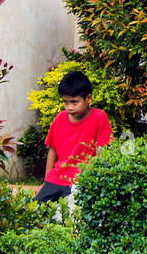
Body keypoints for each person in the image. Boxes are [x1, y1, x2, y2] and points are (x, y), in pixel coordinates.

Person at [34, 70, 113, 203]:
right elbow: (52, 150)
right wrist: (46, 182)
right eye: (65, 102)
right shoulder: (60, 118)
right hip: (57, 178)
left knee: (71, 214)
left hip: (81, 180)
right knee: (35, 210)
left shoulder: (99, 117)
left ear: (88, 99)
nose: (69, 107)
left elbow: (102, 153)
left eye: (74, 102)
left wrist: (97, 181)